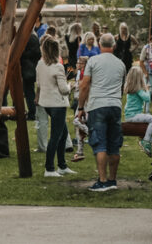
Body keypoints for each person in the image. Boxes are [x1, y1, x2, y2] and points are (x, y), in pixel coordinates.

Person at [76, 33, 126, 192]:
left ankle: (102, 181)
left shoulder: (93, 61)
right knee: (114, 145)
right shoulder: (121, 64)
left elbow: (84, 85)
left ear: (99, 44)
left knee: (100, 144)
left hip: (97, 105)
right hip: (115, 105)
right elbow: (122, 87)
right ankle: (112, 179)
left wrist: (81, 107)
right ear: (114, 45)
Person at [37, 36, 73, 177]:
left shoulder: (40, 65)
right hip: (58, 104)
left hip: (46, 103)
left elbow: (39, 84)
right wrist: (71, 85)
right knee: (56, 136)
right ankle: (49, 168)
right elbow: (64, 89)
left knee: (63, 134)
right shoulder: (58, 66)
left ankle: (62, 165)